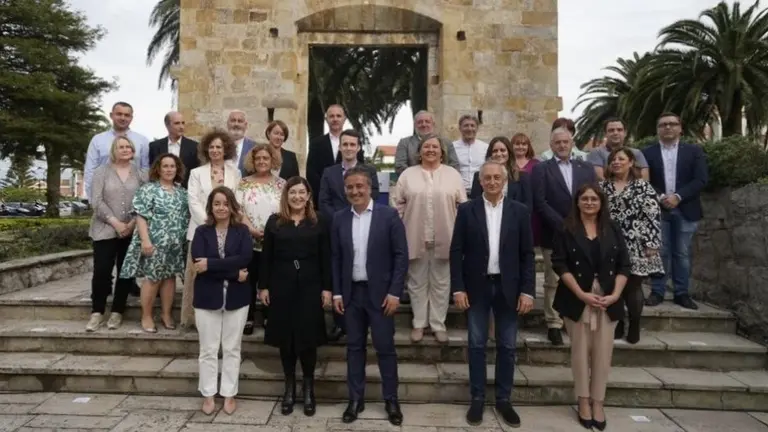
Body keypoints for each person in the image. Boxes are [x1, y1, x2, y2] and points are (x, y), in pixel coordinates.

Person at [450, 161, 535, 427]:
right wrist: (458, 287)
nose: (492, 181)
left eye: (497, 177)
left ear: (505, 180)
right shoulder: (466, 210)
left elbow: (527, 255)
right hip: (477, 286)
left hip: (509, 287)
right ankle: (477, 399)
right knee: (476, 345)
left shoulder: (519, 212)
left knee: (507, 346)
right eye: (487, 178)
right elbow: (456, 251)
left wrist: (528, 291)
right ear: (480, 181)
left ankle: (503, 400)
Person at [331, 166, 408, 426]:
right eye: (350, 187)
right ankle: (355, 399)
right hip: (352, 295)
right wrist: (338, 292)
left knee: (385, 349)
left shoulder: (389, 216)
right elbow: (336, 257)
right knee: (354, 348)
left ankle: (391, 400)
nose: (355, 191)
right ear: (345, 190)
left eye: (359, 186)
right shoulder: (339, 218)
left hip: (381, 296)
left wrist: (396, 292)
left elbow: (401, 256)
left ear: (370, 187)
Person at [551, 184, 631, 431]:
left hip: (607, 300)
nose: (589, 202)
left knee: (603, 354)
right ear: (577, 202)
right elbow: (560, 264)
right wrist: (582, 294)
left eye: (593, 199)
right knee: (580, 353)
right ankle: (583, 401)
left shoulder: (613, 228)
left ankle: (598, 402)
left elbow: (624, 266)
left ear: (601, 202)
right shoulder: (566, 229)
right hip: (577, 298)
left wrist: (616, 295)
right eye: (584, 199)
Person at [259, 176, 332, 417]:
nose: (297, 197)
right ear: (286, 195)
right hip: (282, 284)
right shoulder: (275, 222)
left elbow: (326, 257)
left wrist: (327, 288)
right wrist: (264, 286)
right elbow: (266, 257)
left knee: (308, 337)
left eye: (302, 192)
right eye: (293, 193)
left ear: (308, 195)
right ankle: (289, 386)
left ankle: (309, 387)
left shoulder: (319, 221)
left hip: (311, 285)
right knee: (286, 339)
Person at [393, 133, 466, 343]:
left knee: (442, 283)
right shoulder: (408, 174)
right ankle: (419, 323)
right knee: (416, 282)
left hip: (446, 235)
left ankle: (438, 324)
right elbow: (398, 205)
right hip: (414, 234)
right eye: (426, 147)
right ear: (419, 152)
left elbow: (462, 205)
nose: (431, 150)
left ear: (442, 152)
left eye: (435, 147)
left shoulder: (453, 175)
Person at [190, 186, 253, 416]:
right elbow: (199, 263)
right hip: (207, 298)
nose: (221, 208)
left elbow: (245, 257)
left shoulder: (242, 232)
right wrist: (235, 273)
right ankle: (208, 394)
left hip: (237, 299)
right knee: (207, 349)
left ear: (232, 206)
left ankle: (229, 394)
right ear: (210, 207)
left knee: (232, 348)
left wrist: (212, 264)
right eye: (217, 203)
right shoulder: (201, 232)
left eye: (225, 203)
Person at [532, 127, 597, 345]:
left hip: (583, 232)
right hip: (554, 233)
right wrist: (562, 224)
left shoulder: (586, 168)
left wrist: (581, 223)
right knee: (553, 279)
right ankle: (553, 323)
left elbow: (593, 198)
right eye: (557, 142)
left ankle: (573, 317)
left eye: (565, 142)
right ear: (551, 146)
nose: (562, 145)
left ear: (572, 143)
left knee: (580, 277)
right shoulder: (542, 169)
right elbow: (540, 202)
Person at [642, 113, 708, 310]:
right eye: (663, 125)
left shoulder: (694, 151)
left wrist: (678, 196)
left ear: (680, 128)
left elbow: (701, 179)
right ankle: (657, 291)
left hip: (686, 208)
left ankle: (681, 293)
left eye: (672, 124)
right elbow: (644, 181)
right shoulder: (648, 153)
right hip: (658, 210)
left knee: (682, 253)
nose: (668, 127)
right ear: (658, 129)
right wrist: (662, 197)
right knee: (659, 252)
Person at [318, 129, 379, 341]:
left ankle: (367, 320)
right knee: (338, 270)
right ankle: (339, 322)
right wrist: (340, 218)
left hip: (365, 225)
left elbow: (376, 196)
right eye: (345, 144)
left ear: (359, 147)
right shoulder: (329, 172)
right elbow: (323, 201)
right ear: (340, 147)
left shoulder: (369, 171)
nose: (349, 148)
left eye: (353, 144)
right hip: (336, 228)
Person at [120, 154, 189, 333]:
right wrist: (145, 240)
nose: (169, 170)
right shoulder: (148, 189)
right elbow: (141, 216)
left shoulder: (182, 192)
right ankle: (147, 316)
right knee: (152, 279)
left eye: (172, 166)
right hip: (154, 242)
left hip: (174, 245)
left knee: (169, 278)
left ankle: (166, 315)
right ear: (158, 168)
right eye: (165, 166)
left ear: (177, 169)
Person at [600, 148, 663, 343]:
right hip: (609, 243)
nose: (616, 162)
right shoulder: (603, 187)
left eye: (621, 159)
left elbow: (653, 215)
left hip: (636, 242)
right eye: (613, 159)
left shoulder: (643, 187)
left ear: (630, 162)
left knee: (632, 286)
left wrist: (651, 242)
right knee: (612, 286)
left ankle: (634, 324)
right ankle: (618, 323)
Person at [181, 129, 241, 328]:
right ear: (206, 149)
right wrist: (210, 223)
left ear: (226, 150)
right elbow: (193, 201)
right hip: (202, 230)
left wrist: (225, 221)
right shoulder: (196, 173)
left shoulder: (235, 173)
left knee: (223, 271)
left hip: (228, 230)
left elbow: (236, 200)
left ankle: (223, 314)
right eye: (212, 147)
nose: (215, 150)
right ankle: (194, 319)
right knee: (198, 276)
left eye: (219, 147)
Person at [86, 135, 145, 331]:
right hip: (105, 229)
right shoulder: (101, 172)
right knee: (102, 271)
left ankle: (118, 311)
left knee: (125, 272)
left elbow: (144, 201)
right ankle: (97, 312)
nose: (125, 149)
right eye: (121, 146)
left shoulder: (140, 174)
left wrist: (131, 223)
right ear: (114, 149)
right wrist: (115, 223)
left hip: (131, 229)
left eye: (129, 146)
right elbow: (96, 200)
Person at [235, 142, 286, 335]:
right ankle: (247, 318)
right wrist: (251, 229)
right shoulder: (244, 183)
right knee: (249, 280)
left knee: (271, 280)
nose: (262, 161)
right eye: (258, 158)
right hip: (248, 239)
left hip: (274, 240)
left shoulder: (282, 184)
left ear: (272, 160)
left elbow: (287, 210)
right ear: (252, 161)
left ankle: (268, 315)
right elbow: (238, 209)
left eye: (266, 158)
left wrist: (273, 231)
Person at [306, 105, 364, 207]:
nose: (335, 119)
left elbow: (360, 169)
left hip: (350, 200)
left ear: (344, 118)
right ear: (326, 119)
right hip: (324, 202)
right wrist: (325, 193)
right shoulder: (316, 143)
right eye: (331, 116)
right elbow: (311, 172)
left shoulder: (353, 142)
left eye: (338, 116)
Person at [468, 136, 532, 209]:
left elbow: (527, 206)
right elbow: (474, 204)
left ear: (509, 152)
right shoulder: (479, 176)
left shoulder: (522, 176)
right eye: (495, 151)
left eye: (502, 150)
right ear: (490, 154)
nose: (499, 154)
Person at [394, 110, 460, 175]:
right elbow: (400, 166)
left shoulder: (446, 142)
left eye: (427, 121)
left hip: (442, 183)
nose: (424, 124)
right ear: (415, 125)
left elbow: (454, 165)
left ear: (433, 124)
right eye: (420, 122)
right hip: (413, 183)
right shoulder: (405, 143)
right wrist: (420, 178)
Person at [148, 111, 200, 188]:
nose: (181, 126)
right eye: (177, 123)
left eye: (183, 123)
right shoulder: (154, 146)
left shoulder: (194, 146)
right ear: (167, 125)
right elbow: (152, 171)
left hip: (186, 192)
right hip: (160, 193)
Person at [452, 114, 488, 195]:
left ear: (477, 128)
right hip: (458, 191)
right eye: (466, 126)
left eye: (472, 126)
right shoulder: (452, 147)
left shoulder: (485, 147)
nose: (469, 129)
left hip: (481, 191)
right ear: (460, 128)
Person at [226, 110, 256, 176]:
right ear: (227, 124)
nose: (236, 124)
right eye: (233, 120)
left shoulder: (254, 147)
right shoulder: (218, 146)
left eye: (240, 121)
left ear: (245, 125)